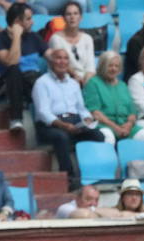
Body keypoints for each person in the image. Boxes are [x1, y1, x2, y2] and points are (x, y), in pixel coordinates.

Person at [32, 48, 105, 190]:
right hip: (50, 125)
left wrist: (87, 119)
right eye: (58, 58)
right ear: (51, 62)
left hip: (74, 122)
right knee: (61, 137)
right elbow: (43, 112)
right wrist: (63, 125)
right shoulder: (42, 83)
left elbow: (81, 109)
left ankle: (92, 175)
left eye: (66, 58)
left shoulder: (73, 84)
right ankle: (69, 178)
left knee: (98, 135)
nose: (62, 61)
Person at [0, 3, 48, 131]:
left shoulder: (34, 37)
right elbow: (12, 61)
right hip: (5, 85)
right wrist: (16, 36)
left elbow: (53, 56)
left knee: (44, 78)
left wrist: (73, 72)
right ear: (17, 22)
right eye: (28, 19)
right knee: (14, 69)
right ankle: (16, 119)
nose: (32, 22)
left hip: (30, 81)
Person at [83, 51, 144, 147]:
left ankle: (136, 162)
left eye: (116, 66)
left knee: (143, 135)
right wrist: (115, 127)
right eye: (110, 66)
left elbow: (132, 111)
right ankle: (110, 162)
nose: (113, 69)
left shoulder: (123, 85)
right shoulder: (93, 83)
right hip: (104, 124)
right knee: (108, 136)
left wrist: (129, 125)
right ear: (102, 66)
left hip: (125, 125)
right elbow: (95, 112)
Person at [48, 1, 95, 86]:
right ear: (63, 18)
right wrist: (75, 77)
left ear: (81, 17)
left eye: (75, 13)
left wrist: (86, 82)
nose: (72, 17)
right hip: (64, 79)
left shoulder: (87, 39)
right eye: (68, 14)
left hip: (86, 81)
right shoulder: (56, 39)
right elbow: (60, 65)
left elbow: (90, 67)